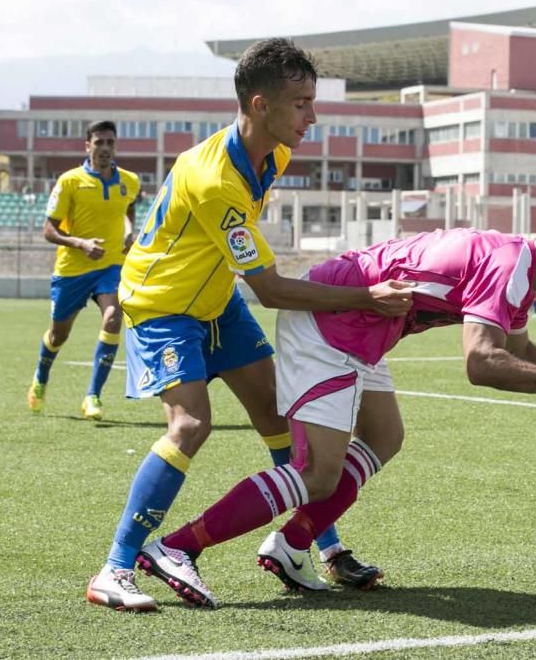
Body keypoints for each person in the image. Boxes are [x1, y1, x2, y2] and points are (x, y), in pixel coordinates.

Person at [133, 207, 536, 608]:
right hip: (333, 322)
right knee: (316, 474)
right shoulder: (511, 265)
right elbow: (482, 362)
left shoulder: (518, 267)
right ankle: (178, 546)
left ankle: (291, 546)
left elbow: (519, 348)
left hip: (366, 329)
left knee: (384, 437)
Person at [85, 38, 414, 612]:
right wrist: (367, 296)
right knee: (190, 425)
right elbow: (269, 288)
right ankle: (115, 567)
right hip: (162, 305)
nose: (313, 116)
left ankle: (314, 546)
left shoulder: (276, 153)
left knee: (279, 418)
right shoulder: (215, 179)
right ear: (260, 105)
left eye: (313, 101)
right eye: (301, 103)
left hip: (216, 302)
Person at [26, 121, 139, 420]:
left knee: (114, 317)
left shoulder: (129, 181)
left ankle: (93, 396)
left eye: (110, 143)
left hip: (111, 265)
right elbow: (48, 230)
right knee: (58, 335)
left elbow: (128, 208)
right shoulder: (69, 181)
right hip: (72, 269)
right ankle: (41, 376)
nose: (104, 148)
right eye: (99, 142)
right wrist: (79, 242)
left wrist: (130, 232)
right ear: (87, 145)